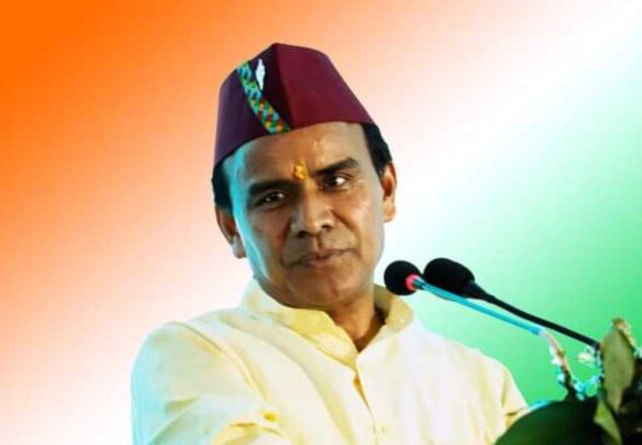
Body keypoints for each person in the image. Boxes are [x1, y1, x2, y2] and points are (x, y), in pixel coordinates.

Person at [131, 42, 527, 445]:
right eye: (273, 197)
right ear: (231, 227)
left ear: (387, 190)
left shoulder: (481, 383)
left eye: (336, 181)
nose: (312, 221)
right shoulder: (191, 356)